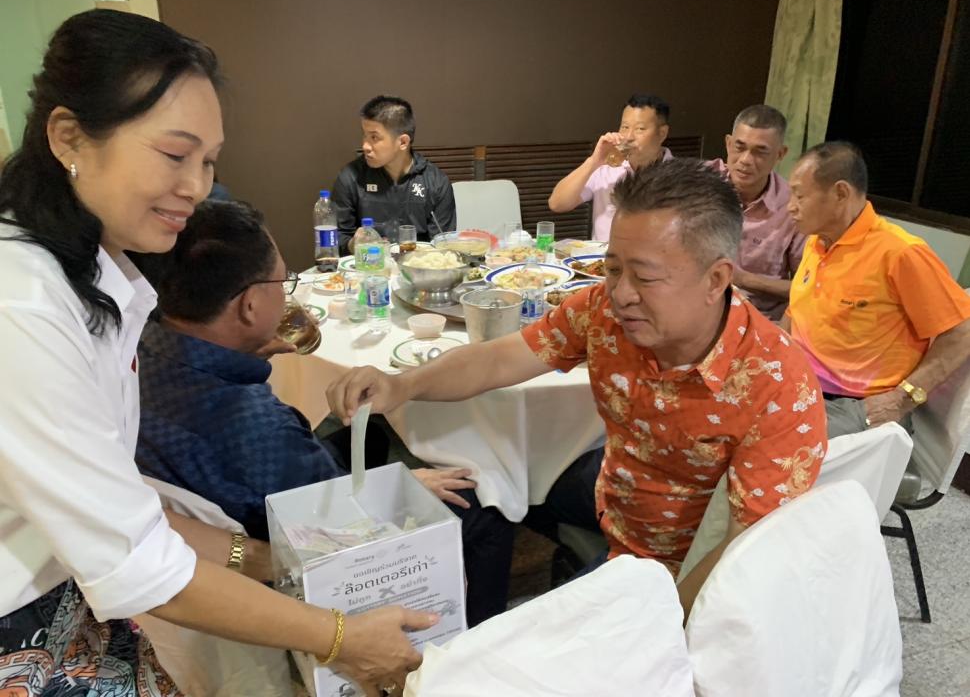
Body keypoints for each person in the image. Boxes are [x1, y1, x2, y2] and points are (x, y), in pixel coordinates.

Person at [0, 9, 431, 697]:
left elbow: (116, 494)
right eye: (175, 155)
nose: (197, 188)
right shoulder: (21, 302)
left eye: (208, 162)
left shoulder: (99, 273)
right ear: (68, 136)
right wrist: (340, 638)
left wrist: (260, 557)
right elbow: (139, 562)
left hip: (75, 589)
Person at [329, 159, 828, 619]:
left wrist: (659, 627)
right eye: (613, 268)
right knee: (487, 489)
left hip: (672, 570)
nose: (621, 293)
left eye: (644, 277)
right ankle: (480, 627)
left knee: (551, 639)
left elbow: (747, 550)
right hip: (614, 492)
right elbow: (499, 359)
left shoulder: (777, 382)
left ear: (716, 279)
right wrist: (401, 386)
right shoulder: (602, 311)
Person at [134, 198, 514, 626]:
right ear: (250, 306)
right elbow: (336, 527)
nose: (287, 292)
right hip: (307, 547)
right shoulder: (259, 426)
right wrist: (401, 487)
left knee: (367, 432)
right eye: (283, 281)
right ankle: (469, 641)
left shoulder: (140, 347)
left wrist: (246, 351)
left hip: (221, 497)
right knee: (488, 509)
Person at [782, 142, 970, 438]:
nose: (790, 206)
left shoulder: (899, 252)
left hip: (853, 404)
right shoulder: (817, 242)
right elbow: (796, 312)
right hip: (799, 380)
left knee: (762, 443)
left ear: (840, 193)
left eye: (799, 195)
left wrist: (902, 399)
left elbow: (962, 331)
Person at [709, 105, 805, 321]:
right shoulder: (701, 181)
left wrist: (744, 279)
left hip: (758, 318)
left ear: (780, 154)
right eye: (739, 147)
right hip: (699, 309)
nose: (745, 160)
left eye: (760, 152)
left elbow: (806, 288)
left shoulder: (793, 207)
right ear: (728, 144)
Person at [332, 95, 456, 252]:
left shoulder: (436, 183)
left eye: (374, 137)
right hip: (369, 264)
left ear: (403, 142)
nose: (365, 146)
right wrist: (352, 244)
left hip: (418, 264)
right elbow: (335, 237)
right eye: (364, 135)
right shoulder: (350, 177)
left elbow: (444, 245)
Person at [548, 93, 673, 241]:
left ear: (662, 133)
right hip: (603, 255)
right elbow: (557, 204)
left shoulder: (679, 175)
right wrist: (594, 162)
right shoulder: (606, 168)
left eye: (640, 129)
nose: (629, 137)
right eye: (625, 127)